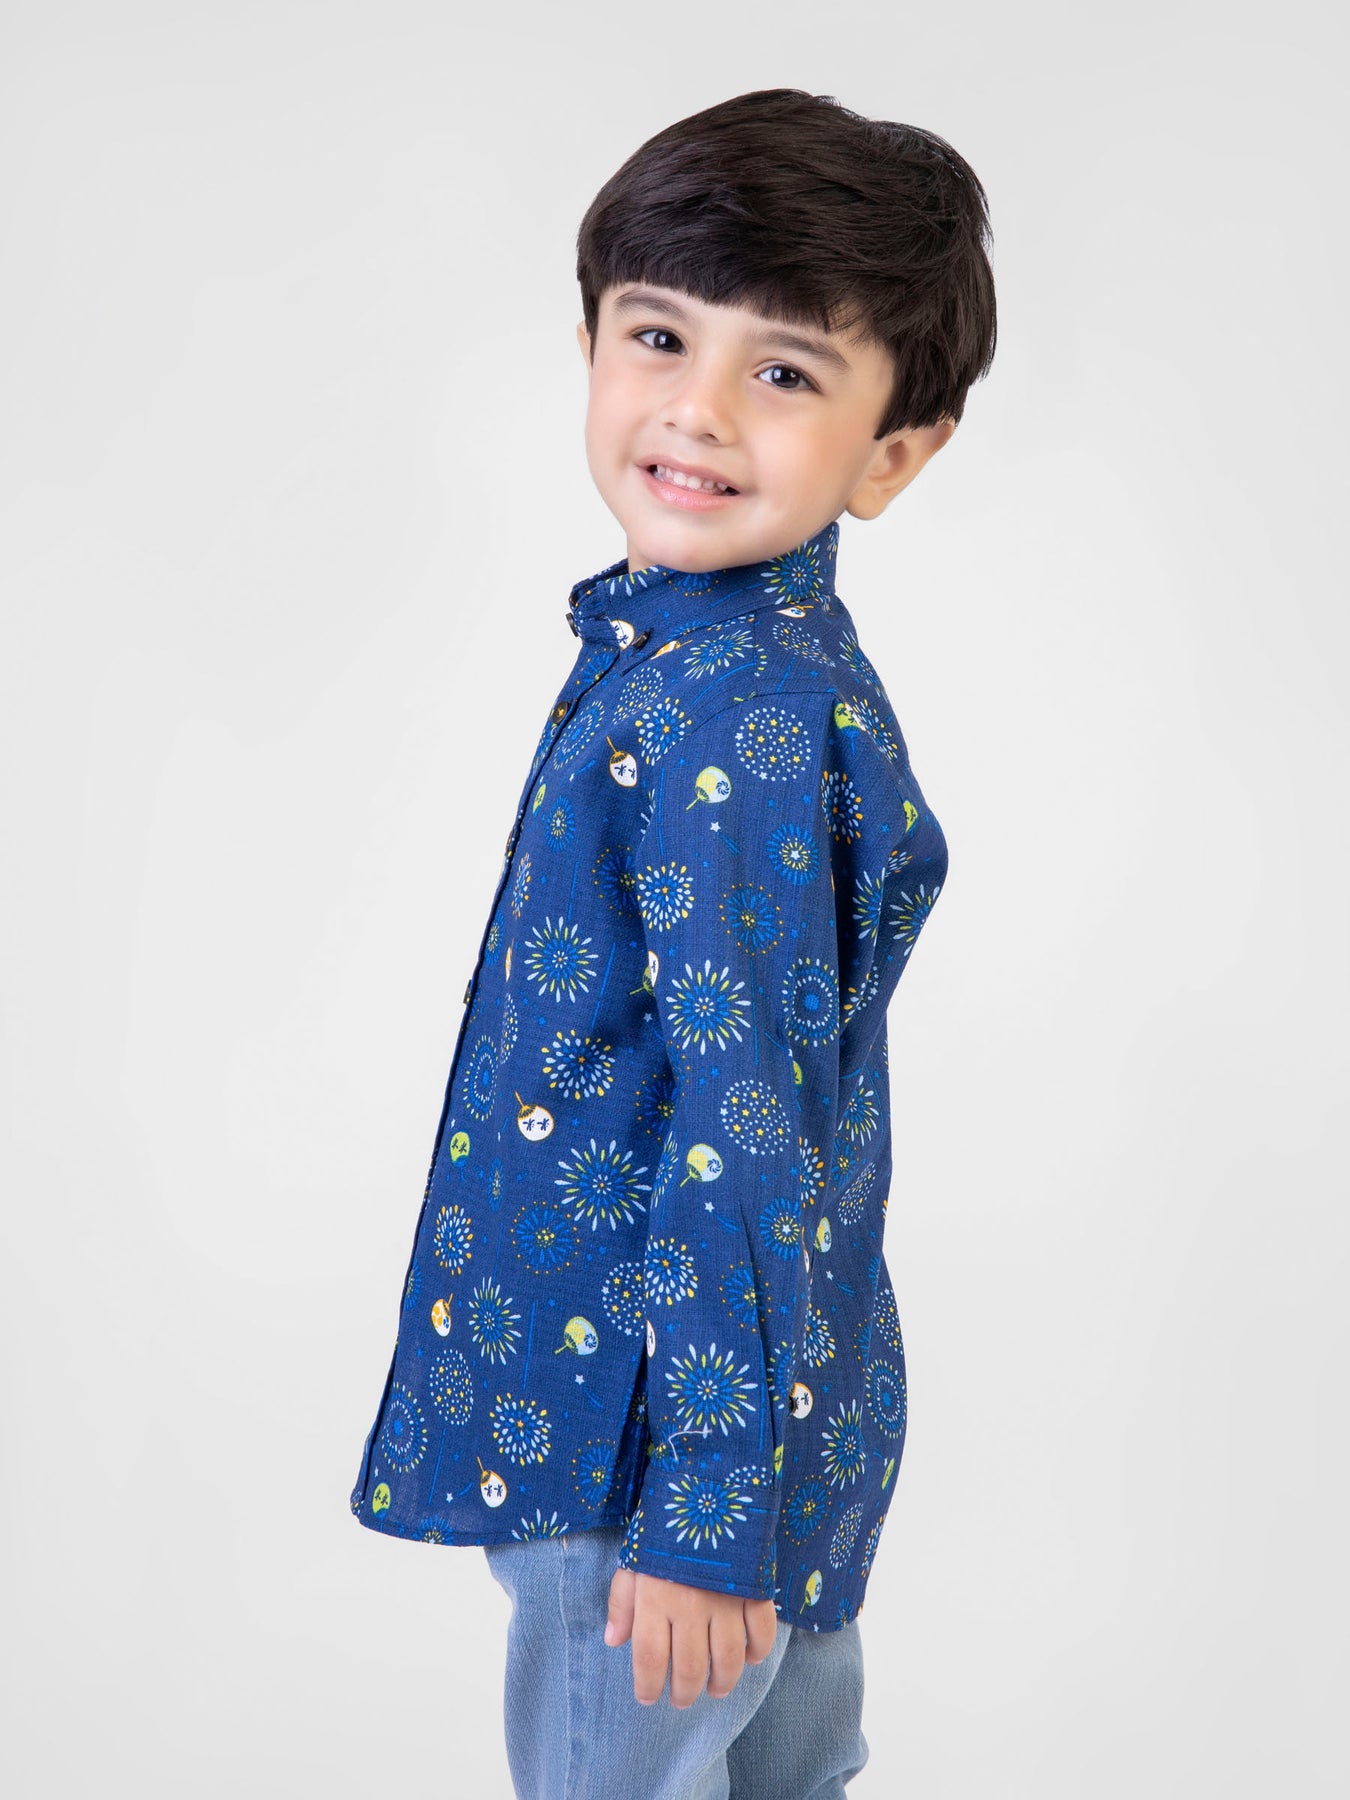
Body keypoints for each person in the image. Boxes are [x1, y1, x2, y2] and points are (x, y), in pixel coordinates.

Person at [349, 86, 996, 1799]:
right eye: (656, 337)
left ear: (892, 451)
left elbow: (746, 1119)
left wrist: (705, 1507)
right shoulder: (702, 663)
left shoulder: (734, 719)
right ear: (588, 347)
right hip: (745, 1427)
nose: (696, 409)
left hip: (641, 1446)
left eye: (782, 371)